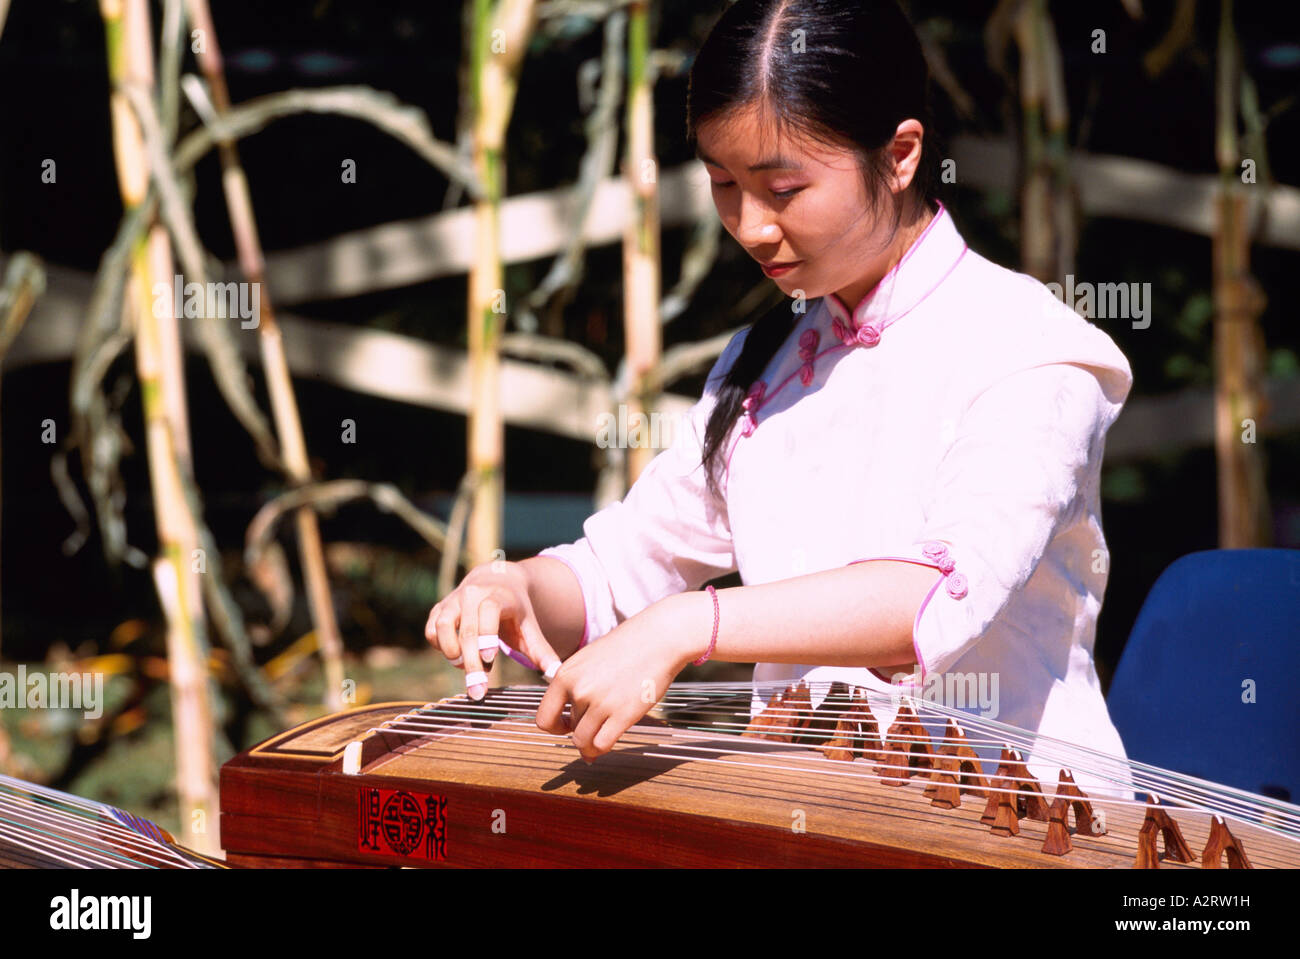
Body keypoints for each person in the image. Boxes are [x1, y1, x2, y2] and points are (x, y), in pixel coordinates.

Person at [426, 0, 1135, 798]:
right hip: (812, 808)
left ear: (900, 156)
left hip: (1019, 812)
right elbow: (620, 567)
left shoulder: (1029, 349)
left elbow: (935, 596)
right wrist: (513, 588)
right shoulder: (766, 360)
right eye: (724, 184)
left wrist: (691, 625)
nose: (751, 226)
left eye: (783, 187)